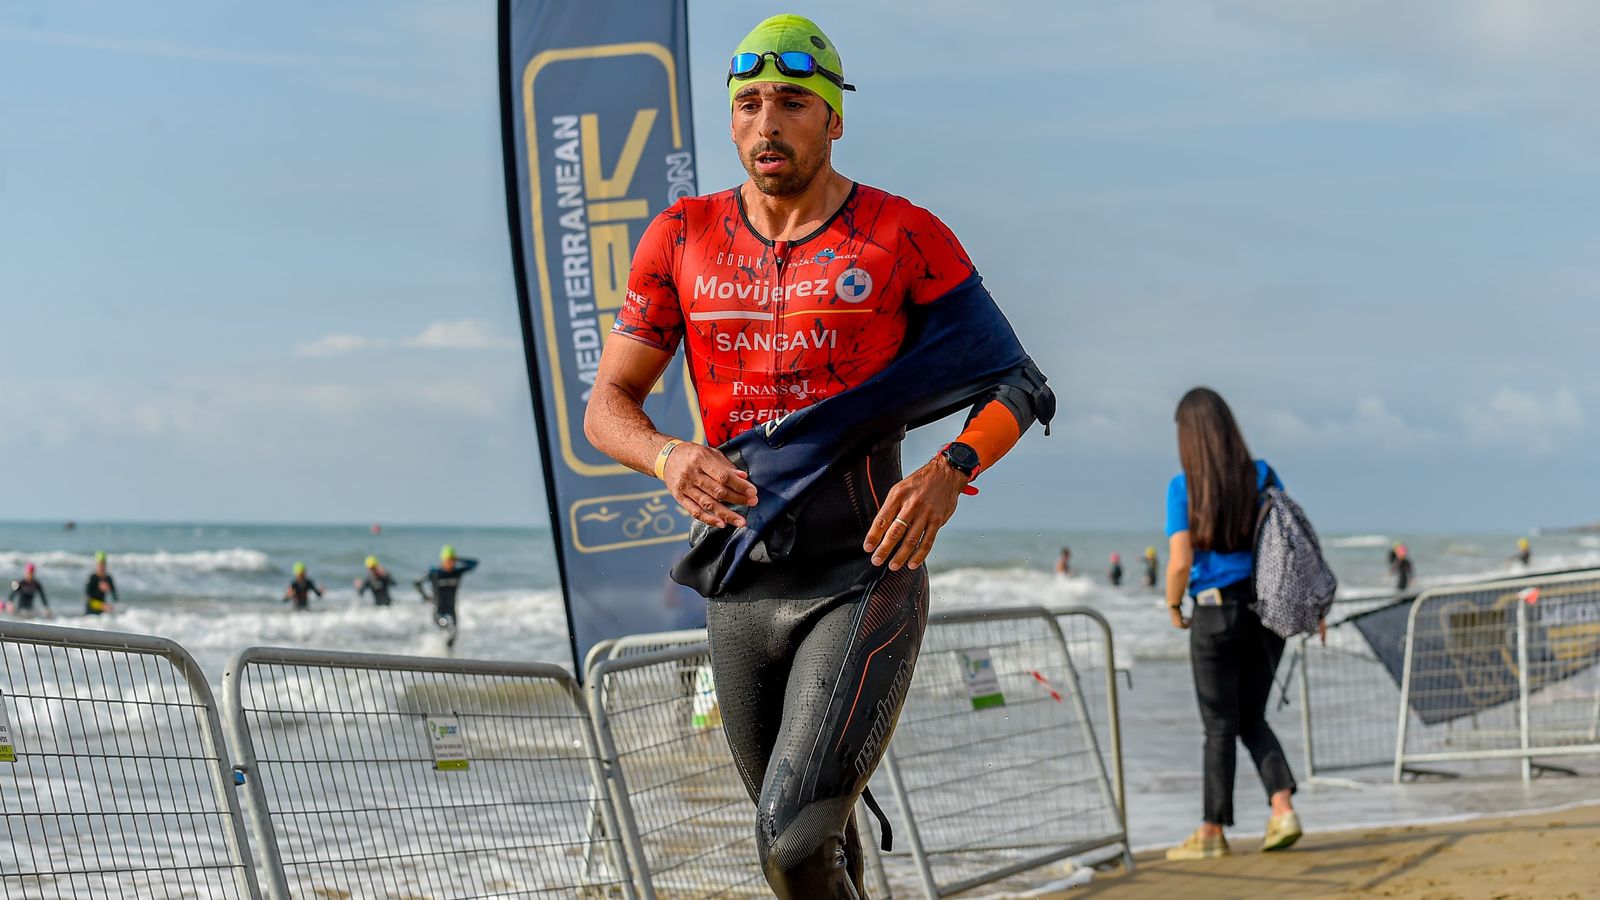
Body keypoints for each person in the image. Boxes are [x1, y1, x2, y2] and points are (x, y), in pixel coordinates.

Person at [583, 14, 1053, 897]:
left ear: (834, 119)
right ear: (730, 120)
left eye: (794, 102)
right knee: (802, 856)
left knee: (793, 843)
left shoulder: (902, 235)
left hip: (864, 571)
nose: (770, 122)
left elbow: (1019, 384)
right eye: (750, 103)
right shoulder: (680, 236)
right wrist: (667, 456)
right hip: (740, 582)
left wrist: (950, 470)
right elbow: (608, 408)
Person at [1163, 387, 1309, 861]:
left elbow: (1181, 561)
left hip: (1214, 612)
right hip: (1266, 613)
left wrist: (1171, 604)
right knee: (1251, 715)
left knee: (1220, 725)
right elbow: (1290, 542)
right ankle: (1282, 809)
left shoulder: (1183, 487)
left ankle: (1211, 833)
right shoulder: (1263, 474)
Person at [416, 545, 476, 648]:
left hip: (451, 610)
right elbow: (417, 583)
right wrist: (425, 596)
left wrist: (457, 558)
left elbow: (474, 563)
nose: (450, 563)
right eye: (448, 560)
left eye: (452, 560)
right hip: (438, 611)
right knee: (449, 627)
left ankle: (447, 657)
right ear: (442, 560)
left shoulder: (456, 572)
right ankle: (435, 652)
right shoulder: (435, 572)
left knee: (454, 633)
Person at [84, 551, 119, 615]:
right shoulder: (92, 578)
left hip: (103, 614)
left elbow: (115, 597)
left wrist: (109, 589)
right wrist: (99, 589)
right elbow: (88, 597)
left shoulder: (108, 578)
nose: (101, 567)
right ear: (96, 565)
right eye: (100, 564)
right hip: (91, 613)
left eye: (103, 564)